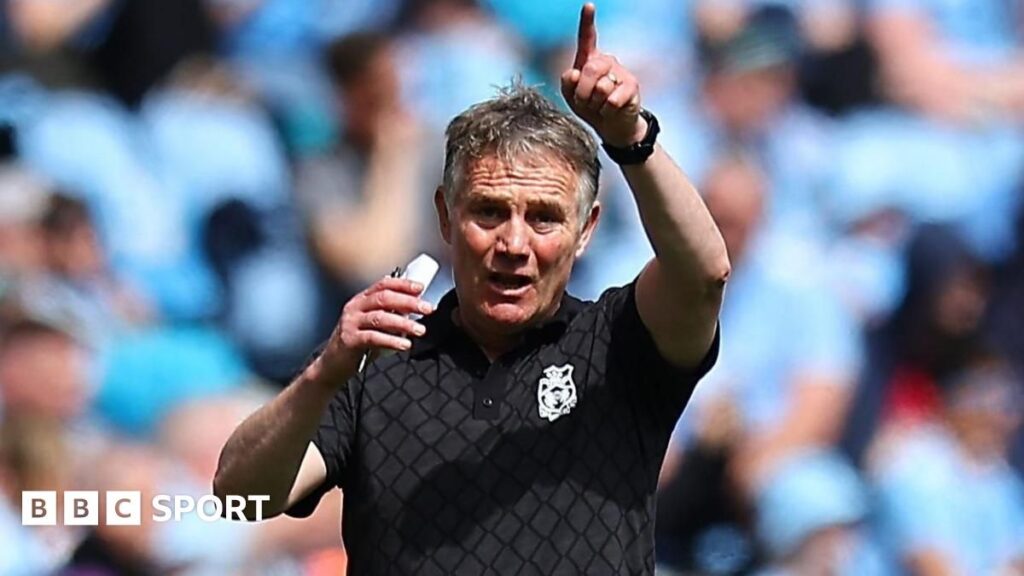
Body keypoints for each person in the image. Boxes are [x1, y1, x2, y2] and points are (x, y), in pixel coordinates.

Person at [214, 4, 729, 573]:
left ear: (586, 231)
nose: (514, 242)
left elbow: (703, 274)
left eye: (543, 218)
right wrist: (322, 375)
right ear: (445, 217)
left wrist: (630, 137)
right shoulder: (378, 359)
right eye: (489, 211)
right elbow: (240, 498)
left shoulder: (616, 345)